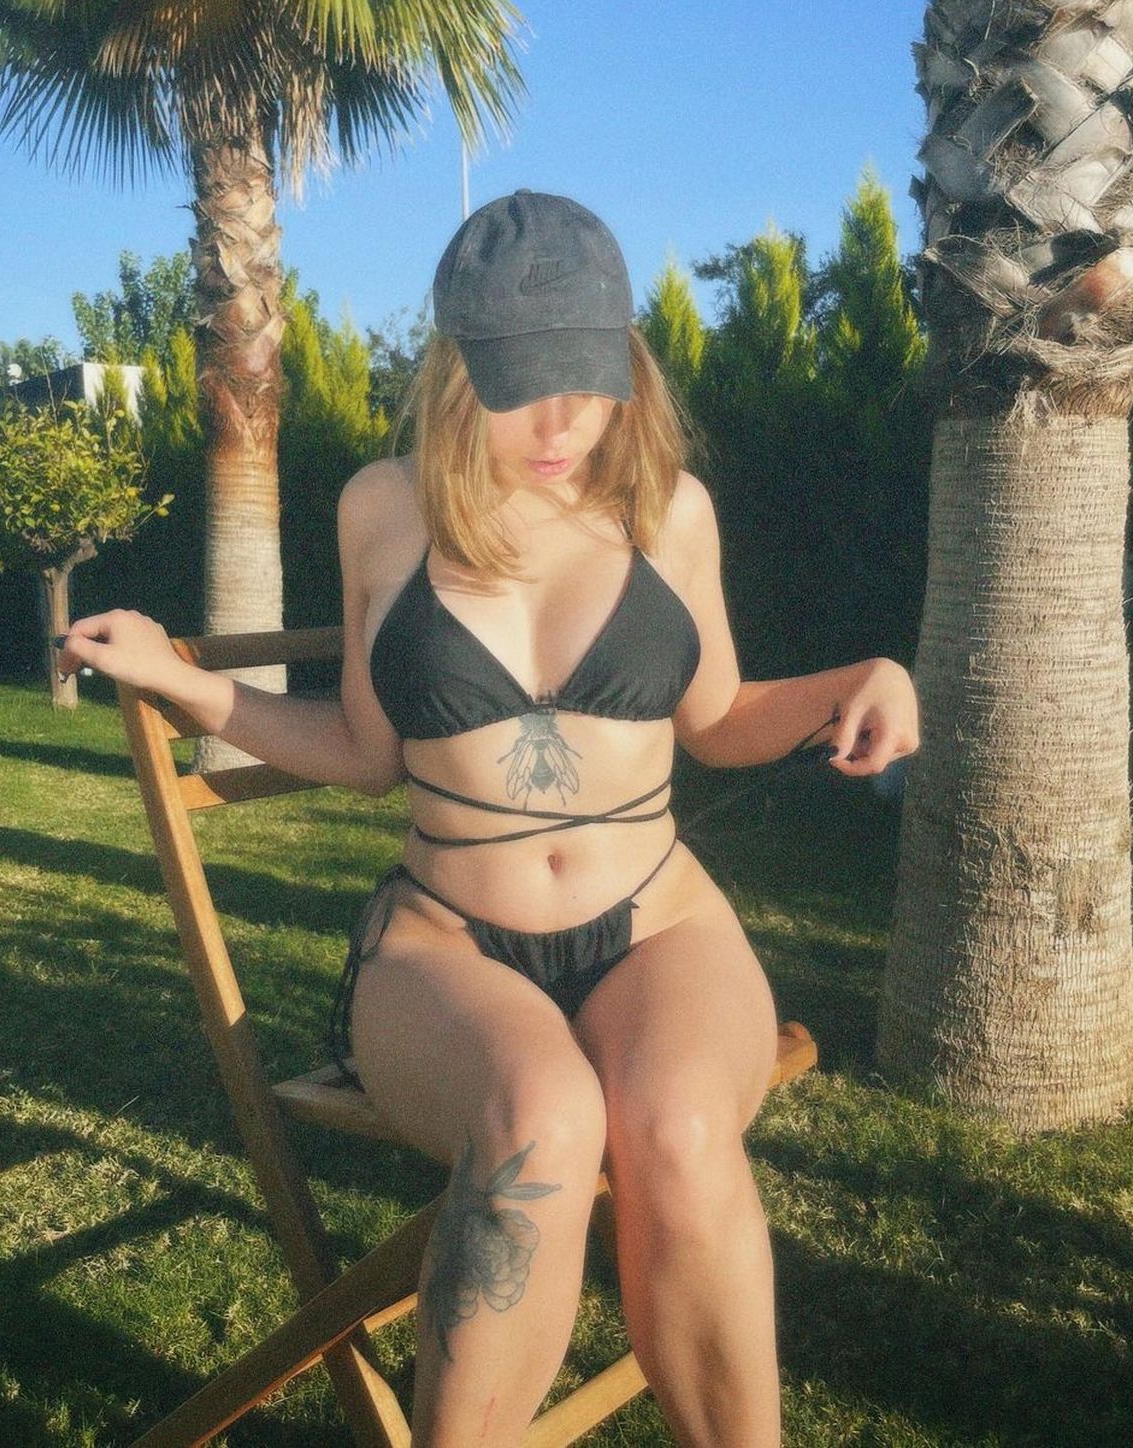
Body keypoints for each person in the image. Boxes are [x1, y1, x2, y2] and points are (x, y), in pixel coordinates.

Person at [59, 189, 920, 1447]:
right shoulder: (383, 508)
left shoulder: (669, 508)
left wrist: (862, 678)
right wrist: (183, 681)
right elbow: (365, 755)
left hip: (660, 929)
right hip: (449, 942)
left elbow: (719, 715)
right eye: (519, 386)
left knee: (680, 1130)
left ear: (626, 363)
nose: (560, 422)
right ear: (456, 370)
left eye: (585, 380)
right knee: (541, 1125)